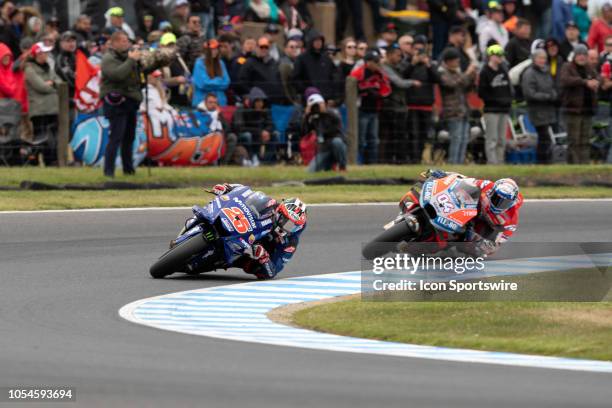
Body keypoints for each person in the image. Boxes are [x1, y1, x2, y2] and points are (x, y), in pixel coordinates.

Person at [179, 184, 307, 279]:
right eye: (284, 219)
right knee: (208, 211)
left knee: (256, 269)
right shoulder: (269, 203)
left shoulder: (290, 243)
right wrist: (227, 188)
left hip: (252, 249)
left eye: (292, 225)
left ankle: (219, 260)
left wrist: (264, 258)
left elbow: (273, 271)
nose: (285, 225)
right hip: (241, 226)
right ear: (280, 210)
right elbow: (245, 192)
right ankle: (187, 230)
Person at [419, 169, 523, 257]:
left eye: (504, 202)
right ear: (492, 192)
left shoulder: (511, 220)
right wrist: (445, 175)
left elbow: (496, 245)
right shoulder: (487, 185)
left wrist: (485, 244)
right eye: (497, 198)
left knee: (476, 251)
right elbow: (463, 180)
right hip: (468, 210)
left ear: (511, 203)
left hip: (479, 228)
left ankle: (444, 245)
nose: (499, 204)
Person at [100, 31, 146, 177]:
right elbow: (118, 75)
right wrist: (131, 61)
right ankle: (109, 171)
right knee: (116, 136)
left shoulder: (129, 57)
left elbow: (138, 76)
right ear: (114, 43)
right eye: (123, 41)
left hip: (130, 101)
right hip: (116, 103)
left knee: (129, 137)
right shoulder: (108, 58)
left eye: (127, 41)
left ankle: (128, 169)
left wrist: (141, 61)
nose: (126, 44)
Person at [559, 44, 599, 164]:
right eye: (579, 54)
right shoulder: (567, 67)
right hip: (573, 111)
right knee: (574, 140)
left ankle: (585, 165)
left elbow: (596, 79)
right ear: (575, 56)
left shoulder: (589, 68)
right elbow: (566, 80)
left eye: (584, 55)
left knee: (585, 140)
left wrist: (596, 83)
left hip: (587, 110)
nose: (581, 57)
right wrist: (585, 82)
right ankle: (573, 165)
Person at [380, 43, 419, 163]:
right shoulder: (385, 68)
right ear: (389, 55)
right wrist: (413, 82)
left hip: (399, 107)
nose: (400, 58)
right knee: (391, 136)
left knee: (400, 136)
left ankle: (399, 160)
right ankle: (389, 161)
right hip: (391, 107)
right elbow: (399, 82)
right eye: (398, 55)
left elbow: (406, 69)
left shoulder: (396, 67)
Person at [350, 49, 391, 164]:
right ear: (367, 62)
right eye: (375, 62)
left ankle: (372, 163)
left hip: (374, 111)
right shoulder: (358, 73)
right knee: (361, 140)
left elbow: (386, 89)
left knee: (373, 140)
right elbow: (352, 89)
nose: (377, 64)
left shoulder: (380, 74)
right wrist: (366, 91)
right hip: (361, 111)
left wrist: (378, 94)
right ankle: (359, 163)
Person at [438, 48, 477, 164]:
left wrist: (472, 77)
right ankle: (453, 164)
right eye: (455, 61)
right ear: (448, 61)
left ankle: (460, 164)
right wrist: (467, 74)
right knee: (456, 139)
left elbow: (466, 87)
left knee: (464, 139)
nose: (457, 63)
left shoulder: (458, 73)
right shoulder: (442, 73)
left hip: (464, 110)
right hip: (452, 112)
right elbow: (452, 84)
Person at [521, 48, 558, 164]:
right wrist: (546, 97)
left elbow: (552, 87)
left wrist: (553, 95)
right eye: (540, 58)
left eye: (544, 58)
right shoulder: (529, 73)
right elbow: (529, 93)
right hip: (537, 111)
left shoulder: (546, 72)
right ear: (534, 59)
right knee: (544, 138)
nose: (542, 60)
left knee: (546, 138)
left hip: (548, 110)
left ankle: (546, 161)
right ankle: (542, 162)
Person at [24, 41, 60, 163]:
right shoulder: (29, 69)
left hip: (52, 109)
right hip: (39, 111)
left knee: (53, 138)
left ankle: (51, 161)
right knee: (40, 139)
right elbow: (41, 87)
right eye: (44, 53)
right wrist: (52, 85)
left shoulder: (49, 67)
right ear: (38, 54)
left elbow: (59, 82)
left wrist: (52, 83)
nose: (47, 55)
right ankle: (33, 162)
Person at [479, 44, 513, 165]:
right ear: (490, 56)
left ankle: (500, 162)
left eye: (501, 56)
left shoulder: (503, 71)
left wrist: (508, 102)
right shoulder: (484, 72)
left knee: (502, 139)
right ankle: (492, 163)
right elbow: (482, 93)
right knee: (492, 138)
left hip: (503, 110)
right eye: (497, 55)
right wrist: (497, 100)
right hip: (491, 110)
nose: (500, 58)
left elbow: (508, 89)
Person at [405, 43, 438, 164]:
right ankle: (413, 159)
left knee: (424, 135)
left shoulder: (430, 66)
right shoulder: (409, 65)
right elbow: (404, 75)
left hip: (427, 107)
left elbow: (437, 79)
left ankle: (419, 158)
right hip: (412, 106)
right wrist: (412, 63)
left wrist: (428, 65)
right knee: (413, 134)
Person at [231, 86, 279, 164]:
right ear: (252, 102)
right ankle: (251, 158)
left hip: (259, 135)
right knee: (248, 135)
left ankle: (265, 161)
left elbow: (271, 124)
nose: (260, 104)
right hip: (242, 135)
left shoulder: (265, 110)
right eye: (257, 102)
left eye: (262, 101)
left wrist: (267, 131)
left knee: (276, 134)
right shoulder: (241, 109)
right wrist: (260, 132)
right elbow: (239, 128)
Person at [301, 92, 347, 171]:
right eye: (314, 106)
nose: (316, 108)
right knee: (310, 171)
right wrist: (306, 116)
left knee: (337, 142)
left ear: (323, 103)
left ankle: (342, 167)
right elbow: (304, 132)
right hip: (324, 149)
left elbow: (337, 126)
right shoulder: (313, 117)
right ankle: (329, 166)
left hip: (336, 146)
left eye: (318, 105)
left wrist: (324, 111)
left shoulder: (332, 113)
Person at [292, 29, 338, 103]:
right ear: (310, 42)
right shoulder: (302, 58)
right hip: (309, 98)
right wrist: (306, 91)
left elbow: (334, 77)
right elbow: (296, 78)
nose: (318, 43)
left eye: (320, 40)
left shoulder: (326, 58)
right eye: (316, 40)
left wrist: (332, 95)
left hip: (326, 98)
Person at [238, 36, 286, 104]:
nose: (264, 49)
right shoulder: (250, 62)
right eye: (261, 47)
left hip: (276, 102)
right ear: (256, 47)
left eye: (266, 47)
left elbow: (279, 80)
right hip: (259, 103)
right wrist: (252, 95)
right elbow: (242, 82)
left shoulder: (273, 62)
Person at [192, 39, 230, 107]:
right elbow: (203, 84)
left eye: (216, 49)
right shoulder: (199, 63)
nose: (215, 51)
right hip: (202, 103)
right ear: (206, 50)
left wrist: (211, 82)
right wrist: (219, 80)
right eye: (212, 49)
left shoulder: (221, 63)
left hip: (220, 102)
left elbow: (226, 83)